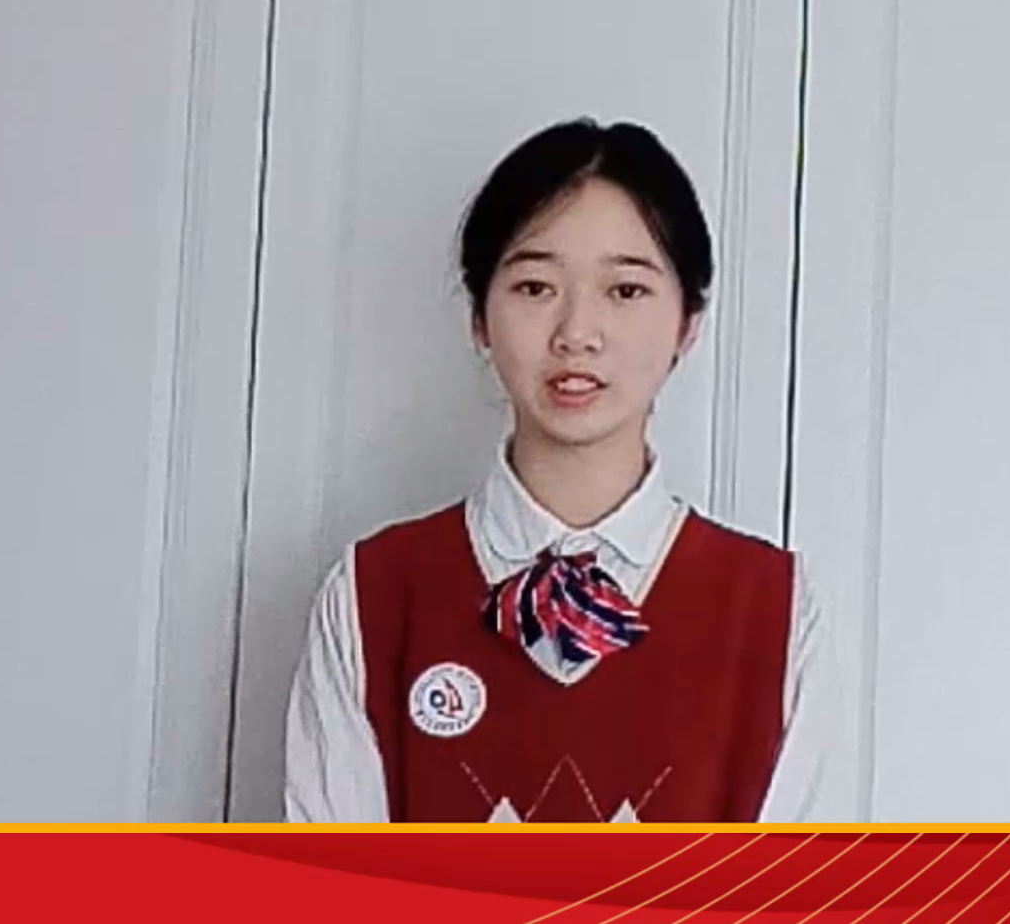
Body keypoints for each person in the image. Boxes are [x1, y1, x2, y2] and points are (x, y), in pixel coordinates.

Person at [283, 117, 840, 823]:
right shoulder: (374, 595)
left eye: (625, 290)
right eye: (535, 286)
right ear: (479, 317)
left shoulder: (773, 610)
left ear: (688, 322)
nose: (577, 332)